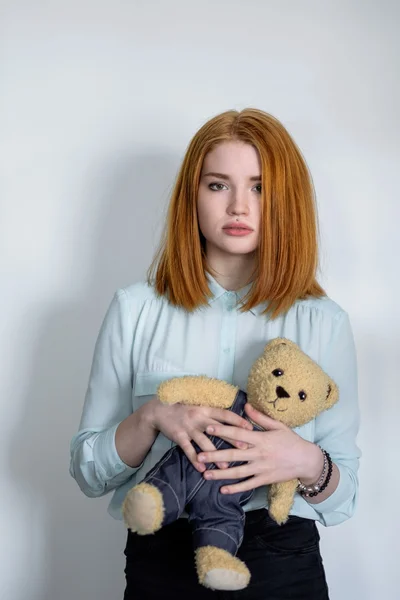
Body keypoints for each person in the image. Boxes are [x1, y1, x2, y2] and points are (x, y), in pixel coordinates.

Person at [69, 108, 361, 599]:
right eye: (218, 185)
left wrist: (307, 461)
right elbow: (86, 469)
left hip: (281, 557)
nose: (239, 207)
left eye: (259, 187)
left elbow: (345, 494)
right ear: (194, 196)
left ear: (284, 200)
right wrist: (149, 418)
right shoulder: (134, 310)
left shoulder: (323, 321)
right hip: (163, 553)